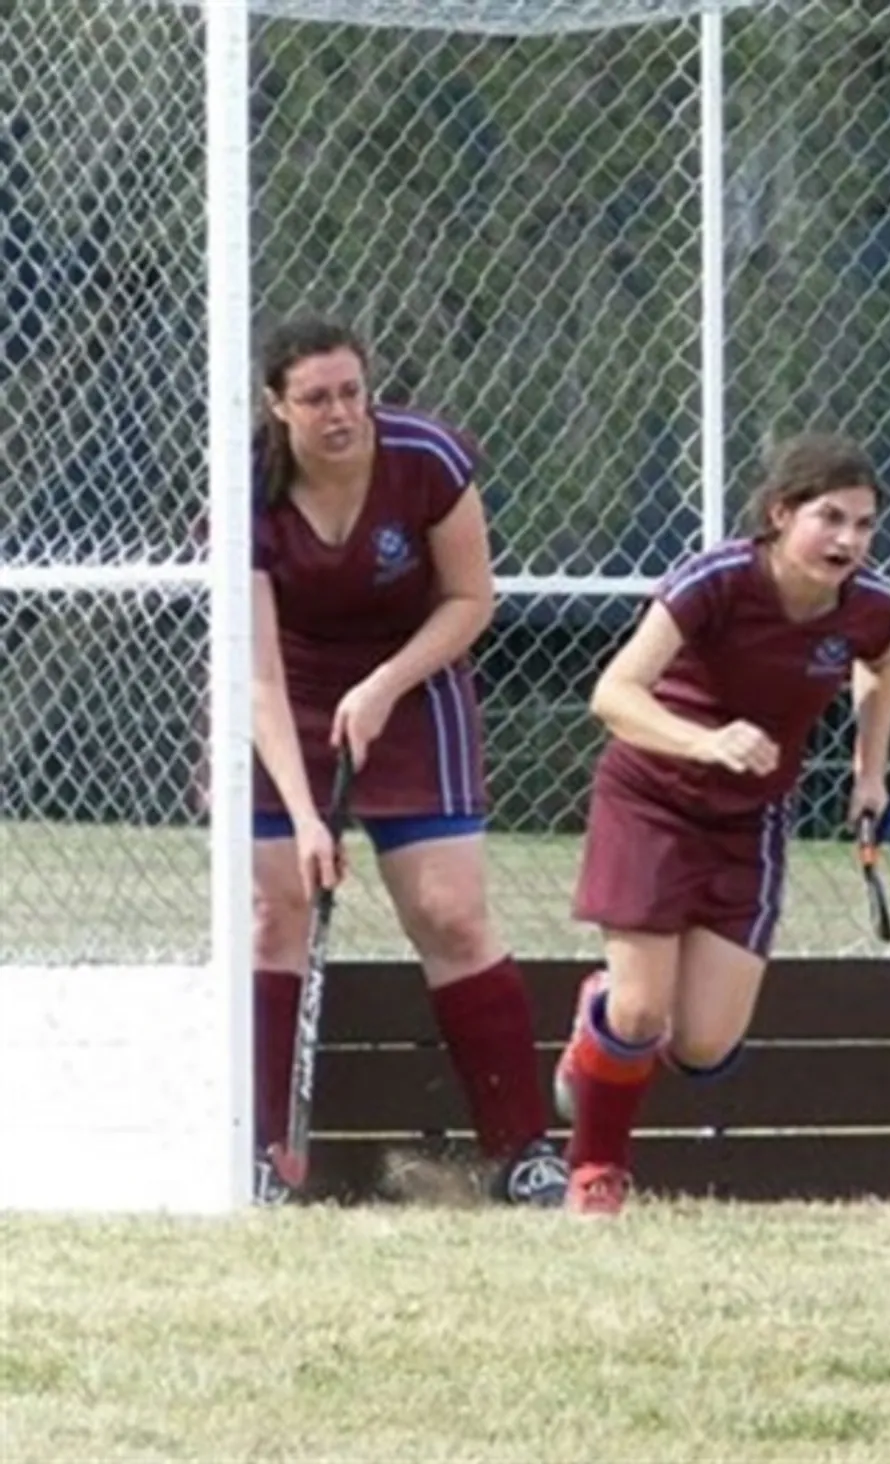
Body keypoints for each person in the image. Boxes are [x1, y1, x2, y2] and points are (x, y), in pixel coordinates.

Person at [249, 316, 566, 1207]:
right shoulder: (246, 488)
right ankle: (263, 1155)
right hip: (291, 695)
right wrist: (309, 819)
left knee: (451, 913)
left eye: (353, 391)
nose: (342, 412)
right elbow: (256, 677)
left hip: (415, 681)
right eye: (316, 398)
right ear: (279, 407)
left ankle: (522, 1153)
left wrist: (387, 685)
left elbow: (471, 599)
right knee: (276, 912)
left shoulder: (427, 458)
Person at [552, 432, 890, 1217]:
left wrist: (868, 770)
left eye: (865, 524)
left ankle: (602, 1023)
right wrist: (704, 740)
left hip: (751, 820)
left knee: (704, 1045)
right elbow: (613, 695)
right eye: (830, 518)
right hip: (652, 799)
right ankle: (596, 1171)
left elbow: (881, 668)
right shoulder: (715, 581)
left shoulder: (871, 606)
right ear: (780, 515)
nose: (849, 540)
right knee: (641, 1012)